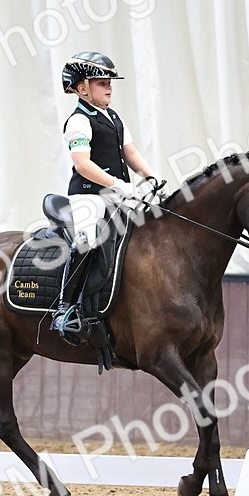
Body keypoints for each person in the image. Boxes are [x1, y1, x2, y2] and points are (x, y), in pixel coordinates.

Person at [50, 51, 160, 337]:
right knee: (87, 240)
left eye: (110, 81)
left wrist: (150, 176)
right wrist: (115, 183)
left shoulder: (113, 116)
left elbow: (130, 152)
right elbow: (82, 164)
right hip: (88, 194)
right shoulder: (78, 121)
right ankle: (66, 308)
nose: (109, 86)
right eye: (101, 81)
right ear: (82, 87)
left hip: (118, 193)